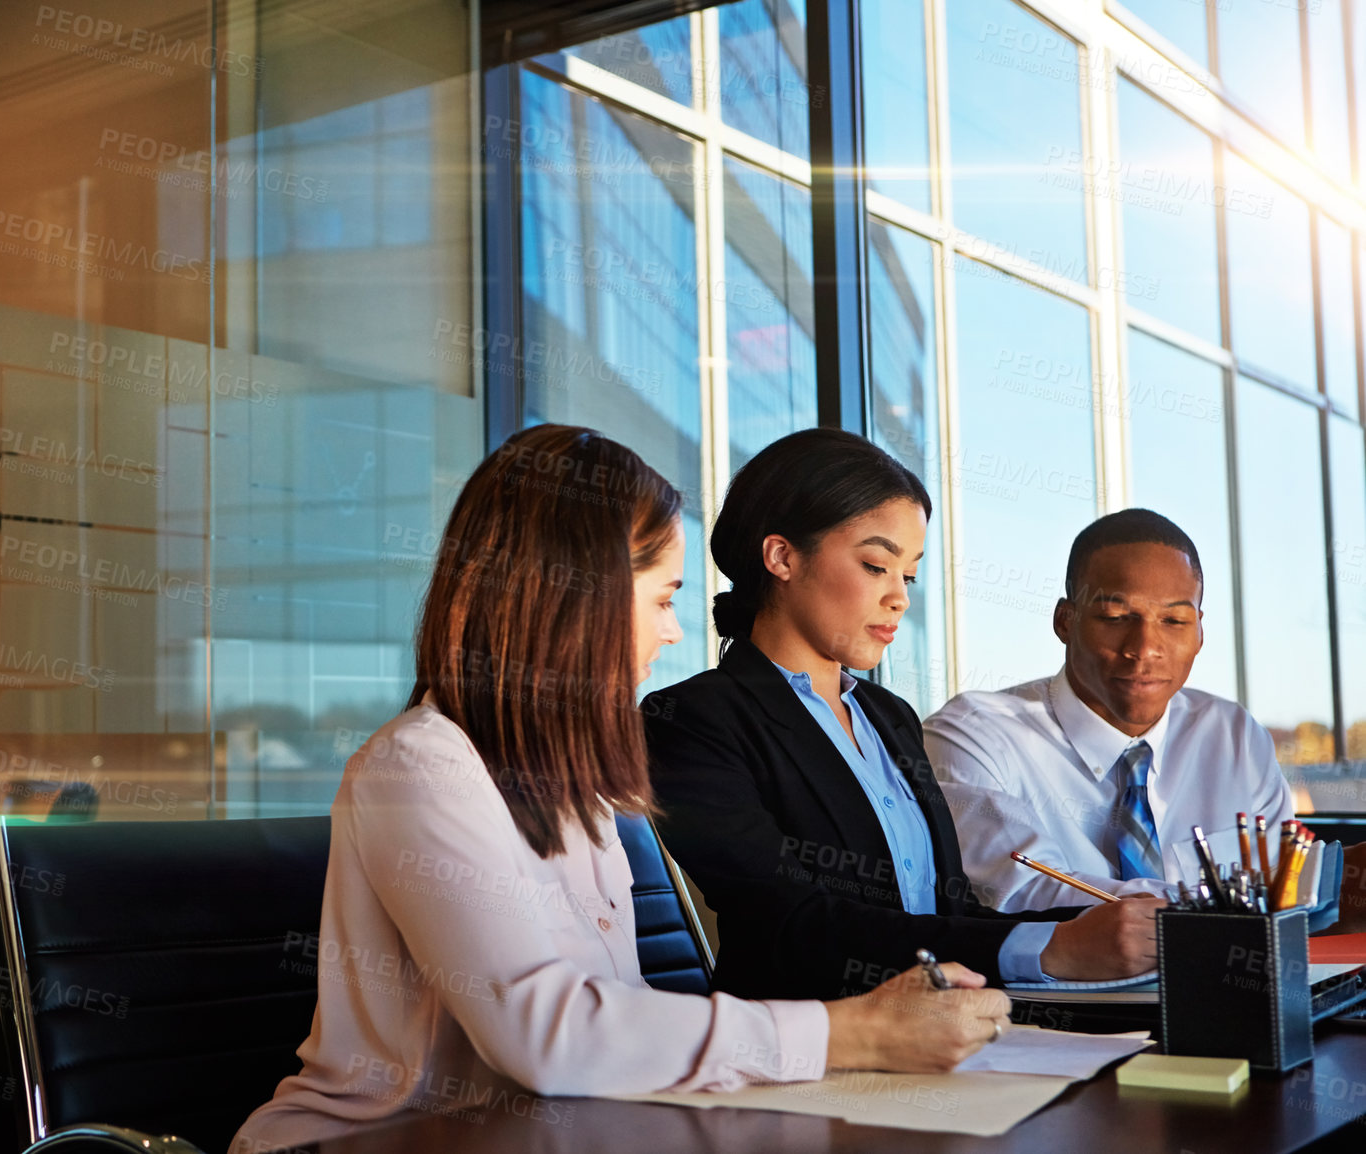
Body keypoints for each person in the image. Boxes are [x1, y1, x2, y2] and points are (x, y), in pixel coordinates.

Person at [231, 426, 1012, 1153]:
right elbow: (545, 1034)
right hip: (375, 1140)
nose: (675, 632)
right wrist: (855, 1033)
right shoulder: (421, 766)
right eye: (664, 599)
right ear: (577, 594)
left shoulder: (577, 783)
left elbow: (608, 1023)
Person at [643, 429, 1161, 1005]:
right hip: (807, 1058)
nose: (900, 599)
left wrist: (1098, 931)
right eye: (875, 566)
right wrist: (1049, 949)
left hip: (943, 1039)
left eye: (908, 575)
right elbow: (789, 925)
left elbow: (946, 912)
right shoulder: (690, 720)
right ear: (782, 556)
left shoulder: (889, 716)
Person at [924, 509, 1295, 913]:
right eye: (1116, 617)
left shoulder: (1233, 735)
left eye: (1174, 620)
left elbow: (1281, 895)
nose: (1144, 647)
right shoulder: (975, 736)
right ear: (1065, 621)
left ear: (1200, 630)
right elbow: (1018, 891)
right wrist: (1214, 911)